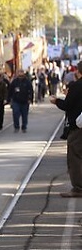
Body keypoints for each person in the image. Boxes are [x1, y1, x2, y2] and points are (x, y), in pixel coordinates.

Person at [50, 60, 82, 197]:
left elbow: (67, 105)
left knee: (75, 156)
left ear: (77, 71)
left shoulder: (76, 86)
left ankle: (78, 188)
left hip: (77, 126)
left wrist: (56, 100)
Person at [8, 68, 34, 133]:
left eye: (22, 73)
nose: (20, 75)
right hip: (16, 101)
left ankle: (24, 126)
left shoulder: (27, 82)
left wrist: (30, 99)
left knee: (24, 115)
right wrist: (9, 99)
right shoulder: (14, 82)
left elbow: (31, 91)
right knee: (15, 113)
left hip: (25, 101)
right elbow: (10, 90)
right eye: (19, 73)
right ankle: (16, 126)